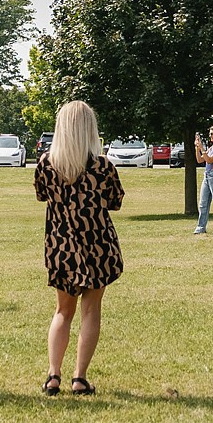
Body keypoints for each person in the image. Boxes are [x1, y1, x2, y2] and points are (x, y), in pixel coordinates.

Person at [33, 98, 123, 395]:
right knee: (91, 310)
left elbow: (41, 196)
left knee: (62, 311)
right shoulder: (103, 166)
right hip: (97, 245)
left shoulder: (46, 164)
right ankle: (79, 377)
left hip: (61, 245)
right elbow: (116, 202)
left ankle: (52, 375)